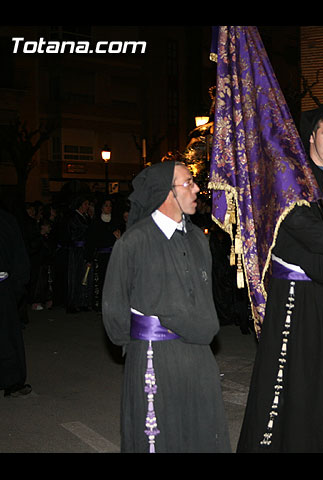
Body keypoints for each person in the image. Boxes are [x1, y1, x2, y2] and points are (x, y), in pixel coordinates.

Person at [237, 104, 323, 453]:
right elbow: (298, 226)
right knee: (297, 377)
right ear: (311, 136)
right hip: (300, 287)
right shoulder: (290, 178)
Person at [101, 161, 231, 453]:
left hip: (199, 355)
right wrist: (136, 347)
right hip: (155, 359)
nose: (196, 188)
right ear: (166, 192)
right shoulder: (134, 242)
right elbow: (114, 309)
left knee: (199, 432)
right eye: (188, 182)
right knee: (163, 437)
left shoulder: (198, 238)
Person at [0, 206, 32, 397]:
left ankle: (12, 381)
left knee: (7, 336)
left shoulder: (7, 220)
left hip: (3, 287)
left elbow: (19, 255)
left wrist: (15, 287)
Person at [86, 198, 121, 311]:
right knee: (102, 280)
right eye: (106, 205)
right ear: (101, 207)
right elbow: (92, 241)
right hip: (101, 256)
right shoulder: (96, 222)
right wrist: (89, 258)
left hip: (113, 256)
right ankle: (100, 304)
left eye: (110, 205)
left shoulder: (116, 221)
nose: (108, 208)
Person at [66, 195, 93, 313]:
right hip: (77, 251)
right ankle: (73, 302)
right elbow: (74, 234)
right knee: (76, 276)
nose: (87, 207)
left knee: (84, 276)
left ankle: (83, 302)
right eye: (86, 204)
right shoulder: (74, 217)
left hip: (84, 250)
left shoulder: (85, 217)